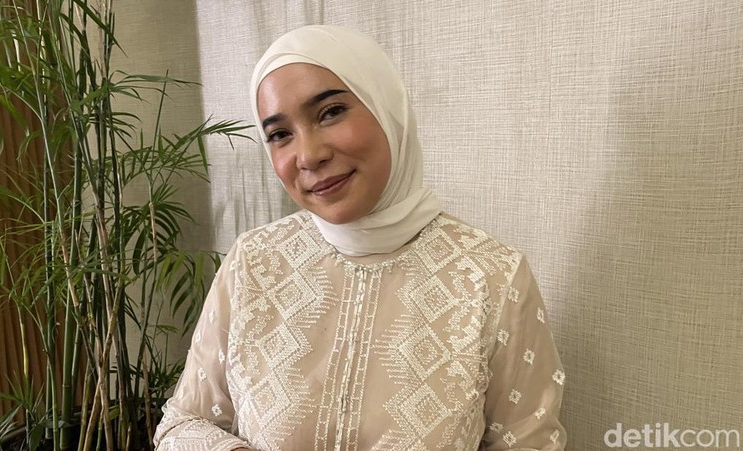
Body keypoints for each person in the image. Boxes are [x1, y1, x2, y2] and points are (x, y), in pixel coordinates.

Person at [153, 25, 566, 451]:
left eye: (330, 112)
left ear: (386, 108)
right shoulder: (255, 263)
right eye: (280, 134)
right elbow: (182, 424)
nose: (309, 155)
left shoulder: (490, 277)